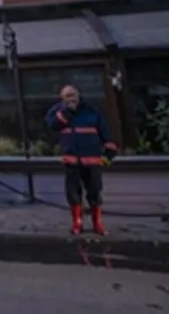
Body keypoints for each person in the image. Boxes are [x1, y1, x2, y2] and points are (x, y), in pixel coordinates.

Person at [46, 85, 118, 236]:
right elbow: (53, 125)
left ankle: (97, 223)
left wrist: (109, 152)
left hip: (92, 160)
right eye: (67, 96)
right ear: (62, 98)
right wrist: (67, 111)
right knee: (73, 193)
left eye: (73, 95)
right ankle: (77, 223)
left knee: (95, 192)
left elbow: (104, 130)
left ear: (79, 95)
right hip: (72, 161)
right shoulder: (57, 111)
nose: (71, 98)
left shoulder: (91, 110)